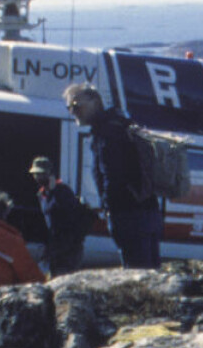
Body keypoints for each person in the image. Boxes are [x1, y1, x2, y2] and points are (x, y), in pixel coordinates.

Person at [63, 81, 162, 268]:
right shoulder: (122, 122)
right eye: (69, 108)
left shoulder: (107, 132)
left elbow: (111, 175)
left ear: (94, 102)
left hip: (128, 214)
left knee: (136, 272)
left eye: (76, 106)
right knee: (151, 269)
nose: (72, 112)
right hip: (149, 210)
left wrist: (110, 209)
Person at [28, 155, 96, 277]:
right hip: (55, 247)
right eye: (36, 174)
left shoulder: (63, 191)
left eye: (42, 174)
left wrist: (53, 191)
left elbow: (70, 219)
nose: (38, 177)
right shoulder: (42, 195)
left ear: (50, 174)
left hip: (69, 249)